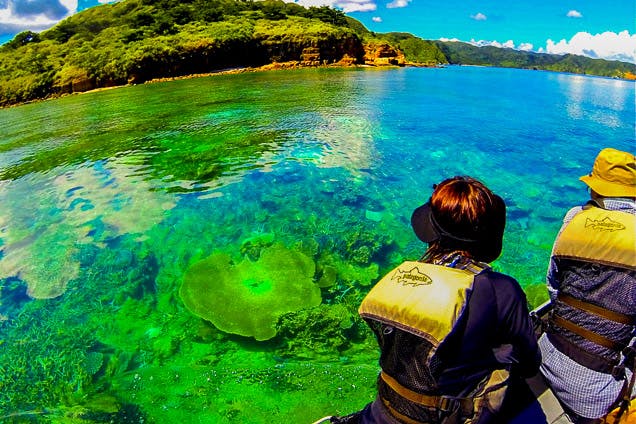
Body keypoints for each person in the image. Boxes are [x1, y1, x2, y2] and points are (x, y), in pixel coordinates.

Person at [330, 176, 540, 424]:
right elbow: (529, 364)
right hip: (449, 417)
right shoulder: (502, 291)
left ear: (432, 231)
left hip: (386, 409)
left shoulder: (407, 278)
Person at [538, 148, 636, 423]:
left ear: (596, 188)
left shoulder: (573, 218)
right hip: (599, 395)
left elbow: (553, 287)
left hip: (546, 358)